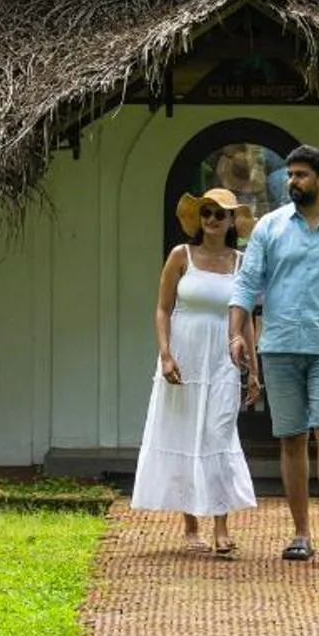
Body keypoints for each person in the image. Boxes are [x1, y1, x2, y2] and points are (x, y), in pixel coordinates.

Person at [228, 145, 319, 568]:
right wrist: (236, 333)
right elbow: (247, 284)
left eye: (301, 175)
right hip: (279, 346)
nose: (292, 182)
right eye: (290, 175)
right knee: (291, 438)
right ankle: (299, 533)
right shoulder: (270, 228)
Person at [131, 187, 259, 555]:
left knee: (219, 432)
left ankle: (221, 524)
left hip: (223, 357)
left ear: (232, 220)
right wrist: (166, 355)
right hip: (184, 355)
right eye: (207, 213)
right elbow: (162, 308)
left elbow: (246, 317)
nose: (213, 220)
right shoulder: (180, 255)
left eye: (220, 214)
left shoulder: (241, 262)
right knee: (185, 431)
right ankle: (190, 524)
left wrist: (254, 369)